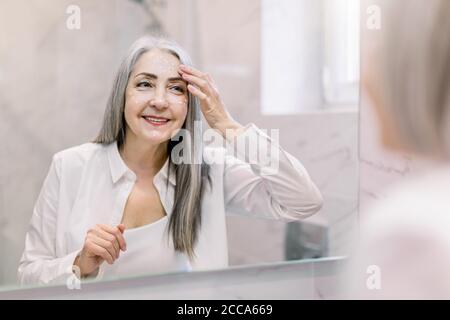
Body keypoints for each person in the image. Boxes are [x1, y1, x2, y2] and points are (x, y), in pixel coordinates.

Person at [17, 36, 323, 285]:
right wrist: (79, 264)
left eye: (176, 88)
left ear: (189, 103)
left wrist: (228, 126)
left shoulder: (208, 170)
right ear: (121, 95)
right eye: (145, 84)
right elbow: (28, 275)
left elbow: (303, 200)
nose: (160, 101)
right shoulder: (69, 167)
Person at [347, 0, 450, 299]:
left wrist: (233, 131)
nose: (365, 81)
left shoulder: (414, 228)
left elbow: (301, 200)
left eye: (378, 57)